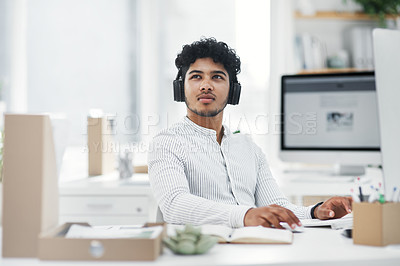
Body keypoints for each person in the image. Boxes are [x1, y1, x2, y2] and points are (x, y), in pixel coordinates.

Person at [148, 37, 352, 229]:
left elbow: (276, 205)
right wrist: (245, 215)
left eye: (217, 77)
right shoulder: (166, 143)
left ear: (233, 90)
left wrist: (316, 211)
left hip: (250, 247)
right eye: (196, 77)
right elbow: (175, 205)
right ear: (180, 88)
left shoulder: (249, 148)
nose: (206, 85)